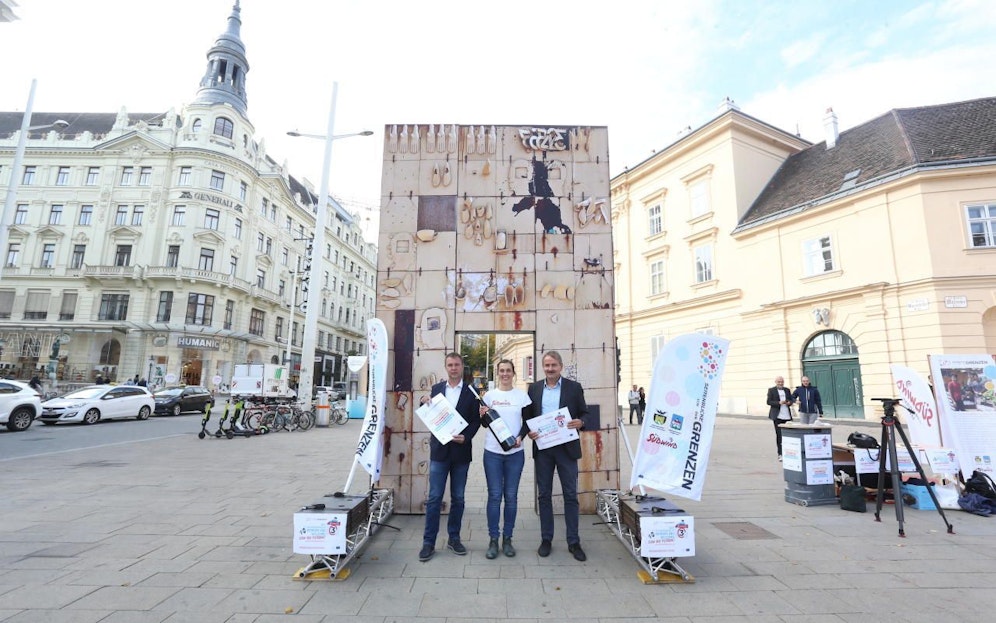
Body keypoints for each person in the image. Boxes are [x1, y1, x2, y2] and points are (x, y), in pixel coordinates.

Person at [524, 350, 592, 562]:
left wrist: (581, 422)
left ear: (560, 366)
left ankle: (573, 541)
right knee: (543, 495)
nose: (550, 369)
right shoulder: (533, 389)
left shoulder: (574, 388)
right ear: (543, 367)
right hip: (543, 448)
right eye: (547, 365)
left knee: (570, 495)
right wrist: (529, 431)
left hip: (567, 449)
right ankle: (546, 539)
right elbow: (527, 417)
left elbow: (585, 413)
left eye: (553, 365)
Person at [418, 352, 481, 562]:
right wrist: (422, 400)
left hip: (461, 452)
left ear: (462, 367)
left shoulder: (472, 391)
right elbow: (427, 410)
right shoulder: (437, 389)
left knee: (459, 498)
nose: (453, 368)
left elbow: (475, 421)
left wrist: (468, 436)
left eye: (457, 365)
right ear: (446, 368)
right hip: (440, 452)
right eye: (450, 365)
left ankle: (454, 538)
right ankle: (429, 542)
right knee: (435, 497)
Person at [480, 359, 530, 559]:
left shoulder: (522, 396)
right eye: (501, 371)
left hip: (515, 454)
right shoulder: (489, 396)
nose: (505, 374)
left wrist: (520, 437)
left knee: (511, 497)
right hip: (492, 452)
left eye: (508, 370)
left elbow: (527, 422)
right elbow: (485, 425)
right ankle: (493, 539)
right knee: (494, 496)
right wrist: (483, 414)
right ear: (497, 373)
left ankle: (507, 539)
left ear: (513, 373)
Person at [766, 376, 794, 461]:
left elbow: (791, 400)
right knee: (779, 435)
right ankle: (780, 454)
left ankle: (789, 453)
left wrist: (789, 402)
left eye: (782, 382)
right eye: (779, 382)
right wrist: (778, 402)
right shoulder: (771, 390)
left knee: (789, 435)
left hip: (787, 416)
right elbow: (768, 402)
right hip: (777, 416)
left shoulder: (787, 390)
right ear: (776, 382)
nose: (780, 383)